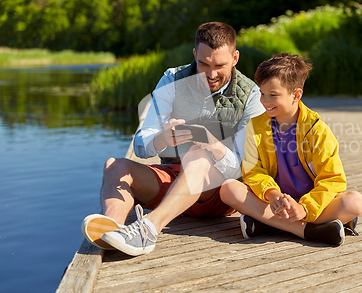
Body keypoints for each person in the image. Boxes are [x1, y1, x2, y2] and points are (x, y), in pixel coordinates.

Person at [81, 22, 265, 256]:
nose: (211, 74)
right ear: (195, 54)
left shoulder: (252, 96)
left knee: (198, 156)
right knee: (115, 166)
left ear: (235, 57)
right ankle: (111, 230)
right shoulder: (171, 79)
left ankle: (148, 230)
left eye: (220, 65)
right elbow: (141, 142)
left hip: (219, 192)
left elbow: (248, 165)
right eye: (204, 64)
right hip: (174, 187)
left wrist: (214, 146)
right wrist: (161, 138)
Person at [220, 53, 362, 246]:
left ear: (296, 95)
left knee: (354, 202)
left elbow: (333, 179)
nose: (265, 101)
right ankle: (307, 230)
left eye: (273, 95)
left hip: (313, 204)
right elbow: (253, 171)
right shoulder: (254, 128)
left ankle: (268, 224)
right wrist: (273, 195)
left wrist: (304, 208)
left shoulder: (317, 130)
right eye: (262, 93)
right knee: (229, 189)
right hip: (274, 202)